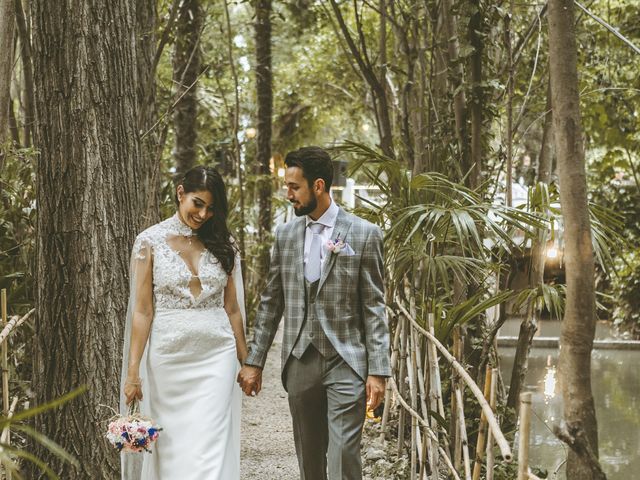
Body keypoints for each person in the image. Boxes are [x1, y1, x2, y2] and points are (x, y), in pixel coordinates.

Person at [238, 146, 391, 480]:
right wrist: (254, 361)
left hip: (346, 360)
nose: (287, 194)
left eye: (294, 187)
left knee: (343, 454)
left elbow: (374, 306)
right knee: (310, 459)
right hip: (299, 362)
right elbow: (271, 302)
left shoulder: (365, 234)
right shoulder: (285, 235)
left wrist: (378, 370)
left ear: (318, 186)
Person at [120, 166, 247, 480]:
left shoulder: (223, 243)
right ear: (180, 193)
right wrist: (133, 371)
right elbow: (142, 311)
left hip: (216, 357)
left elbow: (232, 309)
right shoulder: (148, 242)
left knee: (211, 444)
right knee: (172, 448)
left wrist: (247, 361)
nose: (203, 214)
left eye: (211, 208)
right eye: (198, 203)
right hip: (167, 360)